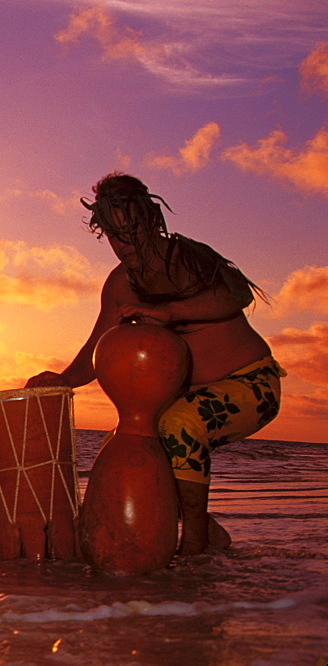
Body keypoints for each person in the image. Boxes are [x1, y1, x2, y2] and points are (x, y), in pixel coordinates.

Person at [26, 173, 285, 556]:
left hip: (252, 384)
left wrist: (169, 311)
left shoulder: (188, 257)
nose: (125, 244)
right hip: (183, 398)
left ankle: (193, 546)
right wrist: (62, 380)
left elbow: (236, 294)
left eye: (132, 230)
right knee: (128, 446)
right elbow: (97, 349)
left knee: (178, 425)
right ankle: (203, 537)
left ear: (151, 221)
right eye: (115, 235)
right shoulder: (120, 285)